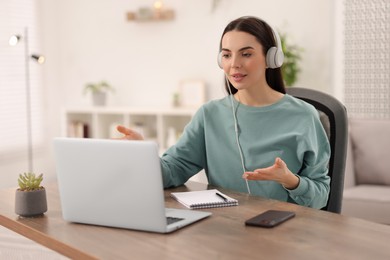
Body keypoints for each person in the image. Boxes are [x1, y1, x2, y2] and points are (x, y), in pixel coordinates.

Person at [117, 16, 330, 209]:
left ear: (271, 58)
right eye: (227, 55)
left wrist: (290, 181)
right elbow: (173, 169)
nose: (234, 64)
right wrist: (142, 154)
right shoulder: (209, 115)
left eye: (246, 54)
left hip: (286, 231)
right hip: (225, 230)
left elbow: (321, 198)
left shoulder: (303, 116)